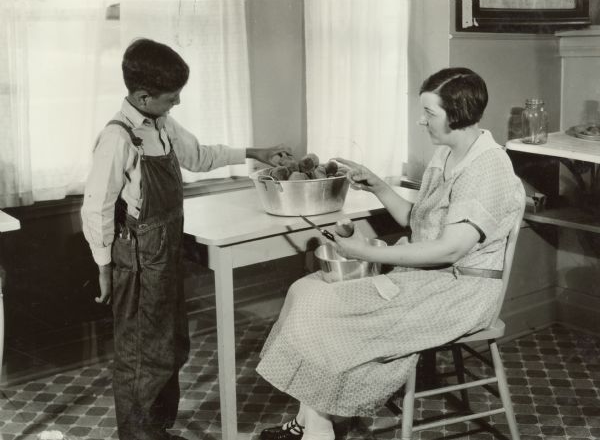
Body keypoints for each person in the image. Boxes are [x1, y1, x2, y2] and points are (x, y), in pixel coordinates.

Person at [256, 67, 525, 440]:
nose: (421, 120)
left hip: (459, 292)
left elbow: (451, 249)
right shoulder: (447, 155)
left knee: (329, 307)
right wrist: (379, 186)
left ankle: (317, 430)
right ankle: (314, 423)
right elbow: (419, 222)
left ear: (457, 114)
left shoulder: (488, 168)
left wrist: (368, 253)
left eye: (429, 113)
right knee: (307, 291)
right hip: (427, 278)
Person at [81, 38, 288, 440]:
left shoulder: (161, 124)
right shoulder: (118, 138)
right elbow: (96, 209)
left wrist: (254, 151)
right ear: (143, 95)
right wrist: (104, 267)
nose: (175, 104)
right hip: (138, 260)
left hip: (165, 254)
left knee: (171, 347)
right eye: (171, 99)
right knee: (143, 355)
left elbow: (199, 156)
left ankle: (157, 430)